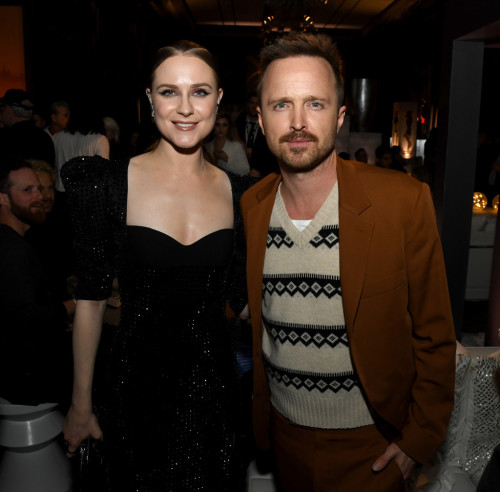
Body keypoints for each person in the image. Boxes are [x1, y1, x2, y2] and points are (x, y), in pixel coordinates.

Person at [240, 32, 456, 491]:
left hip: (374, 448)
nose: (298, 121)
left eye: (314, 104)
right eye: (281, 105)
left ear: (339, 117)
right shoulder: (251, 206)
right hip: (285, 440)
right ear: (259, 119)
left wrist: (419, 441)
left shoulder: (402, 202)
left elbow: (435, 336)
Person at [62, 40, 250, 491]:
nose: (185, 108)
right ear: (149, 100)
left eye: (200, 92)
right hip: (133, 392)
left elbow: (244, 304)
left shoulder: (242, 194)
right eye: (169, 92)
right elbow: (89, 302)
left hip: (216, 396)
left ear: (219, 98)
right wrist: (81, 404)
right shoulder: (108, 184)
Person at [0, 158, 74, 406]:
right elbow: (26, 320)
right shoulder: (12, 249)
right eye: (27, 190)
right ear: (3, 199)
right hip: (26, 380)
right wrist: (75, 305)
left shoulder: (17, 242)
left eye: (40, 189)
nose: (39, 196)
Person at [0, 89, 55, 165]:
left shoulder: (5, 138)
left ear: (10, 109)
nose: (2, 110)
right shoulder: (44, 137)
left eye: (3, 106)